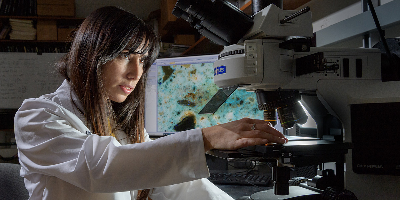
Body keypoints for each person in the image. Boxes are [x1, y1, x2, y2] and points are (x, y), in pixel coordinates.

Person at [14, 6, 287, 200]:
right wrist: (206, 137)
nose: (136, 72)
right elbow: (102, 168)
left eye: (143, 60)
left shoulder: (123, 123)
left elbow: (170, 183)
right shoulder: (37, 116)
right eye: (125, 55)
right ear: (91, 53)